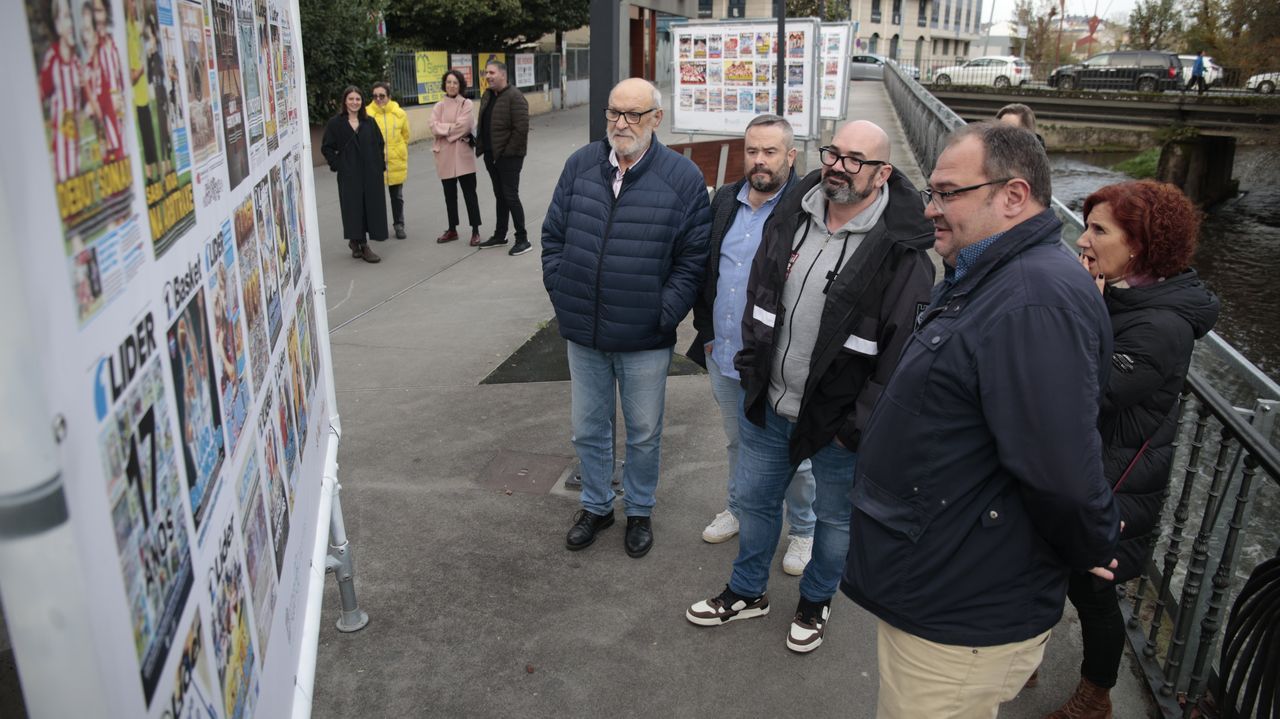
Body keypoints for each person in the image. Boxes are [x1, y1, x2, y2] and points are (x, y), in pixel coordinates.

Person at [840, 122, 1121, 718]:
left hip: (959, 609)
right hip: (955, 579)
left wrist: (1091, 542)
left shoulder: (1031, 300)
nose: (932, 209)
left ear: (1013, 196)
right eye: (932, 193)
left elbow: (1059, 467)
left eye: (947, 193)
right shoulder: (998, 275)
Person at [686, 120, 935, 655]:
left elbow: (900, 359)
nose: (840, 166)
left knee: (835, 519)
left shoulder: (902, 253)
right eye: (834, 153)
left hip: (839, 422)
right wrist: (753, 366)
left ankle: (816, 599)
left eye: (856, 159)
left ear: (882, 172)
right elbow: (760, 293)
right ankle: (748, 591)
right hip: (771, 402)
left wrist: (857, 425)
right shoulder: (794, 217)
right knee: (754, 504)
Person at [1043, 180, 1219, 719]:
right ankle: (1025, 655)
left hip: (1117, 478)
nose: (1083, 240)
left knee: (1093, 588)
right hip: (1087, 464)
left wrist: (1085, 313)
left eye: (1098, 230)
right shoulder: (1125, 292)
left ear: (1139, 243)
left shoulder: (1162, 322)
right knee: (1056, 568)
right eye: (1084, 225)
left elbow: (1094, 392)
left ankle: (1096, 695)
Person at [542, 78, 710, 559]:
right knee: (588, 429)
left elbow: (692, 260)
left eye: (633, 114)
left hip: (644, 337)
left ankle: (638, 510)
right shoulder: (581, 165)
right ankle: (596, 506)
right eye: (614, 112)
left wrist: (663, 313)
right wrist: (563, 292)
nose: (621, 123)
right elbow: (553, 237)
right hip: (585, 331)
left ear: (656, 119)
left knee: (642, 432)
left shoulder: (682, 178)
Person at [686, 114, 817, 576]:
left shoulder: (806, 208)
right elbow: (707, 272)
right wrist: (706, 334)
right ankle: (739, 508)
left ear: (791, 155)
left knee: (792, 454)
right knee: (738, 442)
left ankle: (803, 530)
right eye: (752, 151)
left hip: (776, 362)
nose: (759, 161)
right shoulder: (725, 200)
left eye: (770, 152)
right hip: (723, 353)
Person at [321, 86, 387, 263]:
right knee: (353, 208)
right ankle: (362, 245)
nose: (354, 102)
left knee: (369, 207)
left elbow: (379, 144)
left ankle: (356, 242)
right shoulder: (336, 123)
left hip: (370, 173)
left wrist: (379, 166)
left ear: (362, 102)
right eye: (351, 99)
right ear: (345, 101)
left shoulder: (369, 122)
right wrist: (338, 165)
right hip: (349, 174)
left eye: (358, 99)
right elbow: (326, 147)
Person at [475, 61, 531, 256]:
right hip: (491, 155)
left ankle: (523, 238)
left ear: (503, 75)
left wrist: (505, 154)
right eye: (486, 73)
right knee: (500, 195)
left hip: (509, 157)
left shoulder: (515, 97)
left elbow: (521, 129)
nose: (488, 76)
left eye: (491, 72)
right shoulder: (488, 96)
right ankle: (500, 235)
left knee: (510, 195)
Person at [431, 70, 482, 246]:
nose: (451, 85)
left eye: (455, 82)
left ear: (460, 85)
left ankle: (475, 230)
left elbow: (466, 126)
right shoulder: (438, 106)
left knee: (470, 194)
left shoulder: (466, 104)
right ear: (444, 84)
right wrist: (453, 129)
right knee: (449, 196)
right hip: (444, 157)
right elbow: (433, 127)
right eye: (448, 82)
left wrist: (445, 131)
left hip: (463, 156)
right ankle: (452, 229)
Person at [367, 81, 410, 240]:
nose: (378, 99)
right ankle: (377, 227)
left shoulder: (399, 114)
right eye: (375, 96)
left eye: (382, 96)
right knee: (375, 197)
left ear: (389, 97)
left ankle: (399, 225)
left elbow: (405, 135)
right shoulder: (366, 114)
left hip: (395, 160)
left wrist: (399, 150)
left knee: (397, 196)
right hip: (374, 161)